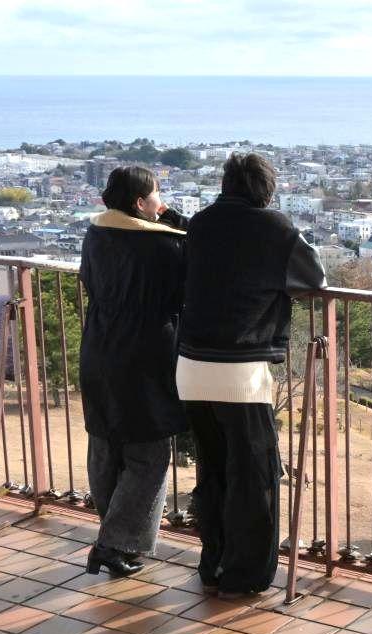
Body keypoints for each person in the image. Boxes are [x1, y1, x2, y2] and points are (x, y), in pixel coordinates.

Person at [177, 152, 326, 598]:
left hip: (190, 365)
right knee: (255, 474)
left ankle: (213, 562)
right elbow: (313, 279)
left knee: (214, 468)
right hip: (240, 369)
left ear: (225, 184)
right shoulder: (276, 229)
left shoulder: (200, 223)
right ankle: (246, 576)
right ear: (266, 188)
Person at [79, 166, 189, 576]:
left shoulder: (96, 235)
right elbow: (189, 285)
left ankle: (116, 541)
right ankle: (114, 544)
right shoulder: (166, 247)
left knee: (106, 447)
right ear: (141, 203)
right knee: (149, 453)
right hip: (146, 357)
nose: (162, 201)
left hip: (98, 348)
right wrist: (175, 219)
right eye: (157, 194)